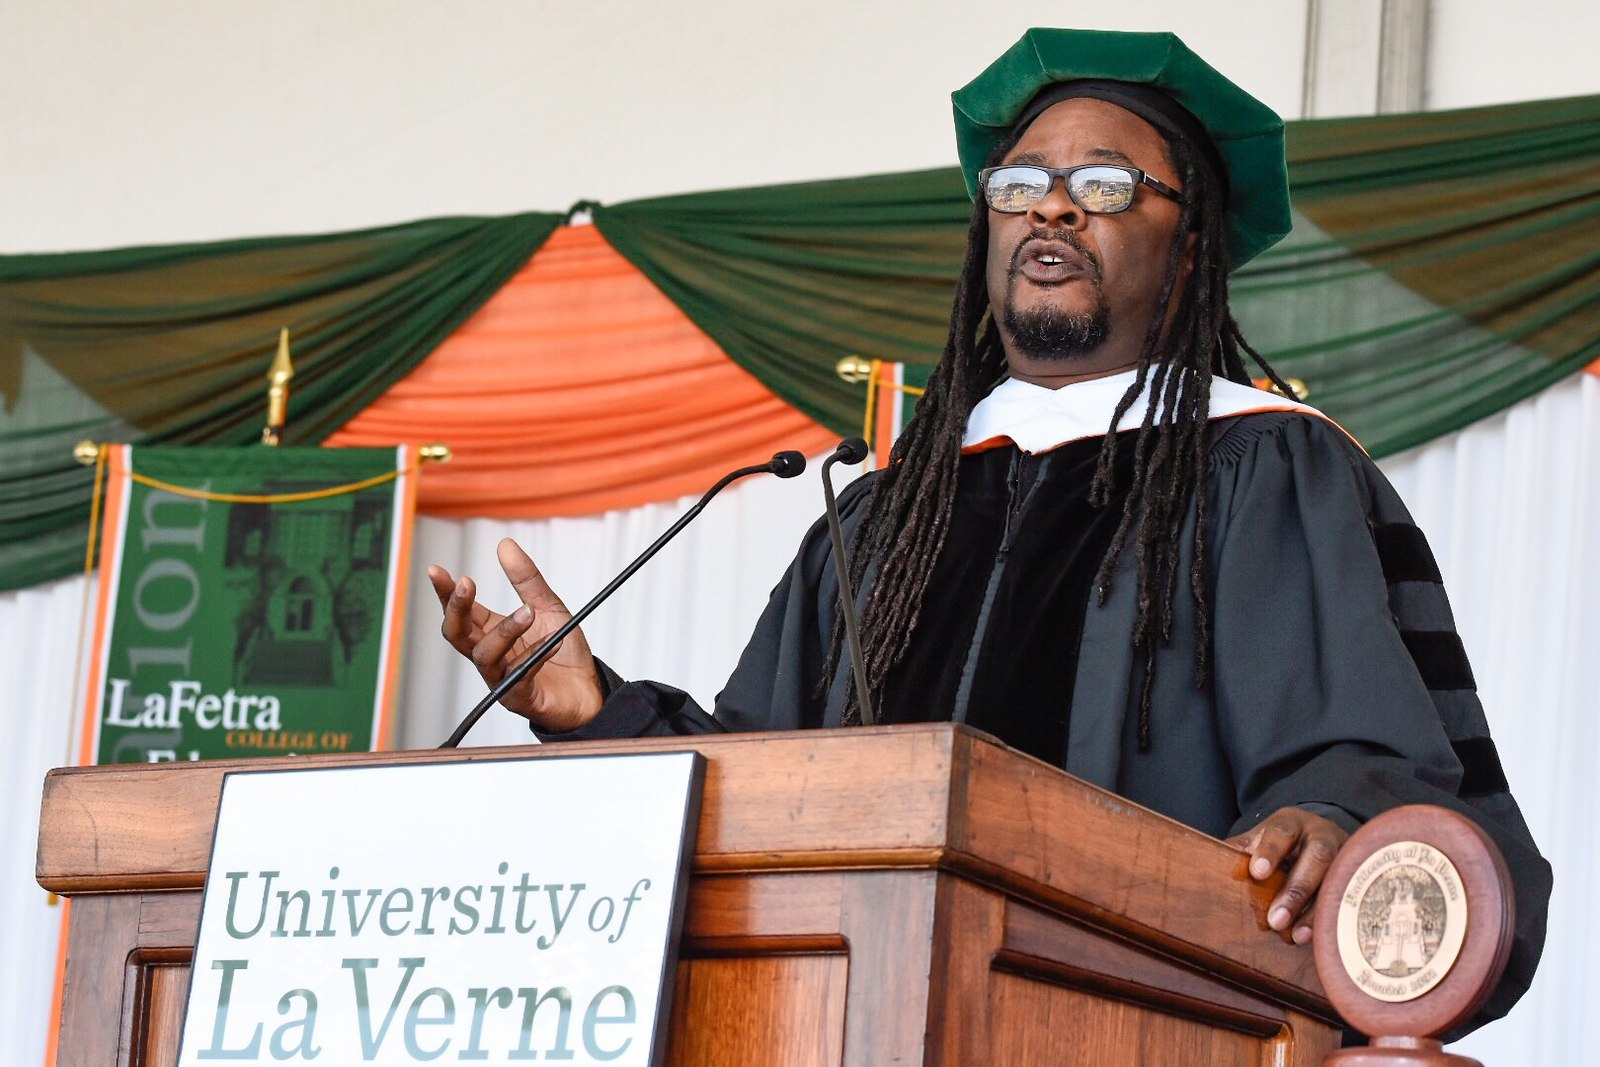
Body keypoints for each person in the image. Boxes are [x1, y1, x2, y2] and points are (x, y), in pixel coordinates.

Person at [428, 29, 1548, 1033]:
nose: (1050, 208)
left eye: (1105, 184)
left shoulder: (1263, 467)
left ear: (1193, 247)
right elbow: (766, 791)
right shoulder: (878, 520)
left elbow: (1364, 761)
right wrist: (593, 709)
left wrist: (1333, 819)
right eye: (1019, 184)